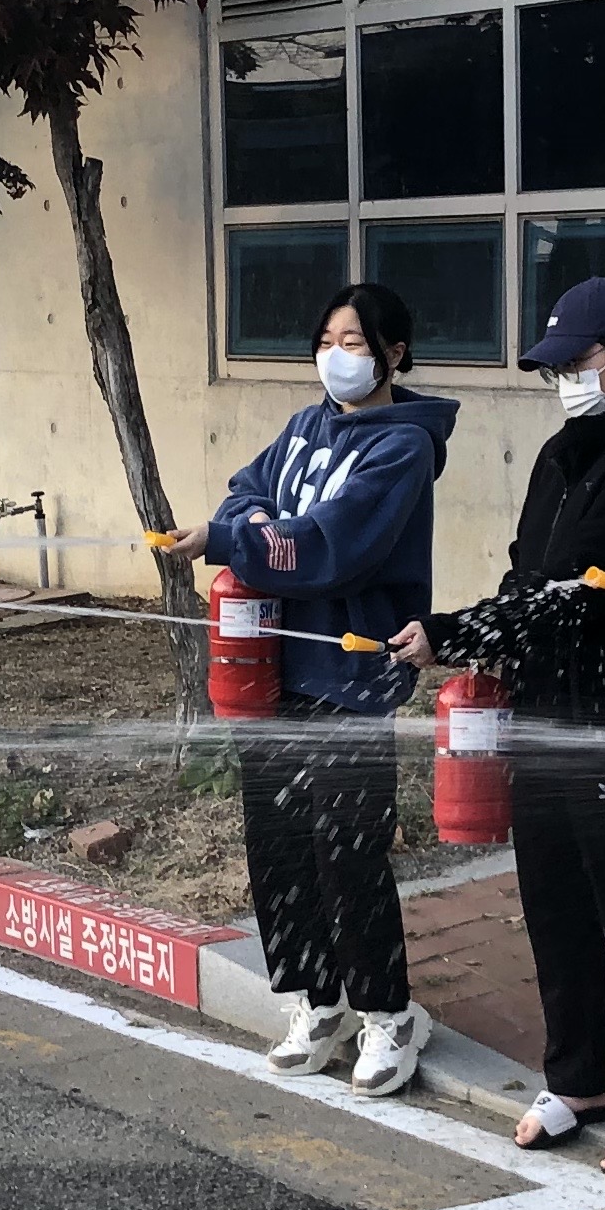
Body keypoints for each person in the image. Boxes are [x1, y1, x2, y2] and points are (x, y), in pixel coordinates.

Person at [388, 276, 605, 1178]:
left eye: (577, 362)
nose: (564, 380)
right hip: (540, 708)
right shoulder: (560, 454)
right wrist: (483, 638)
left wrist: (454, 632)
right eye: (554, 368)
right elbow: (527, 576)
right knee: (553, 898)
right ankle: (579, 1079)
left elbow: (581, 595)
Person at [166, 281, 459, 1097]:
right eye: (327, 341)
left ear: (395, 353)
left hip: (352, 673)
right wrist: (250, 523)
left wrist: (235, 538)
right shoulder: (304, 428)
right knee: (279, 844)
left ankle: (389, 1014)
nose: (337, 357)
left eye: (354, 343)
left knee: (347, 849)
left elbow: (334, 545)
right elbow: (247, 489)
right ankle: (316, 1000)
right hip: (275, 669)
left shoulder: (402, 448)